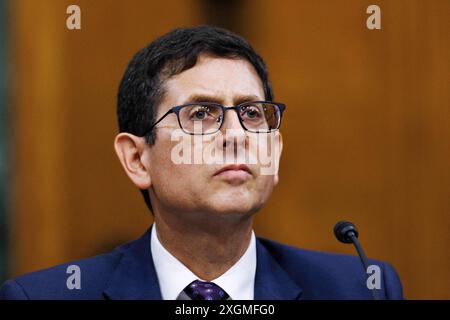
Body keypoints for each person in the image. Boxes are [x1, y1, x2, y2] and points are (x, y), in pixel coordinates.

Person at [0, 25, 403, 300]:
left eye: (251, 113)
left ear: (274, 150)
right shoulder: (46, 295)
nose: (235, 135)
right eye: (200, 115)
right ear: (137, 159)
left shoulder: (362, 288)